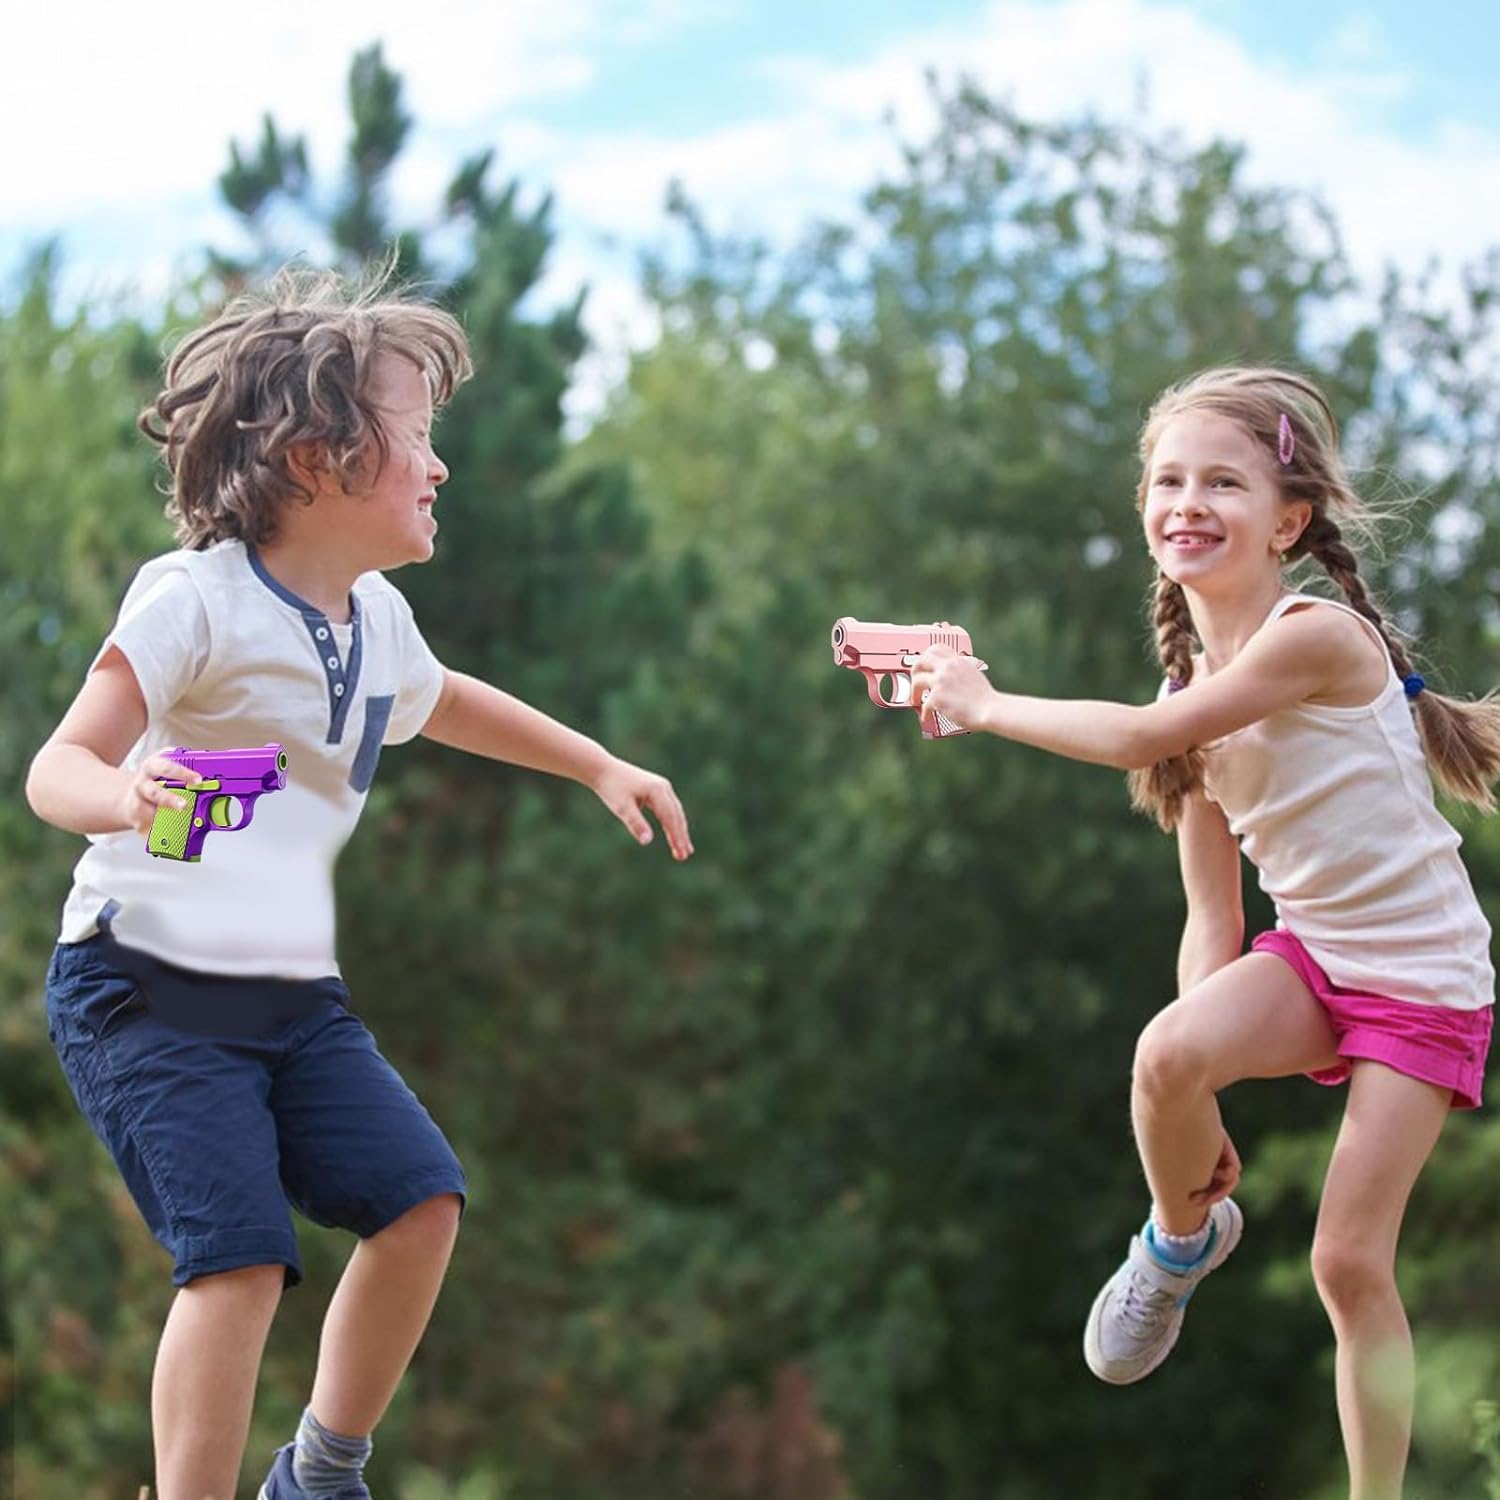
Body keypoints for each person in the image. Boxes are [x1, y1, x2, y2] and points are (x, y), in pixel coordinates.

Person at [25, 264, 693, 1500]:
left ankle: (320, 1472)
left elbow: (449, 706)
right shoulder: (196, 601)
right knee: (238, 1260)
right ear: (317, 456)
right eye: (419, 440)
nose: (440, 469)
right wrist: (133, 797)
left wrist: (597, 764)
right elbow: (56, 767)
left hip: (285, 991)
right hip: (144, 984)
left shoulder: (372, 621)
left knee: (420, 1200)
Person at [911, 366, 1498, 1500]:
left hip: (1424, 982)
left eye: (1223, 481)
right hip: (1317, 959)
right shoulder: (1192, 673)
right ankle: (1180, 1242)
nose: (1189, 500)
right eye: (1168, 479)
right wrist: (1199, 1098)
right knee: (1165, 1055)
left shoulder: (1312, 638)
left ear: (1289, 520)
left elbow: (1139, 738)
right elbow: (1214, 917)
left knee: (1345, 1260)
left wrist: (983, 703)